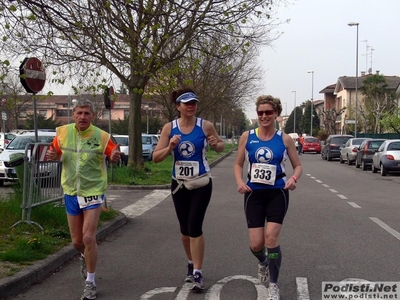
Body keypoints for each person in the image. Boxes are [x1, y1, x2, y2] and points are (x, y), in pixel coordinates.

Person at [46, 99, 122, 300]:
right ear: (73, 115)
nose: (82, 117)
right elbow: (54, 153)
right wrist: (52, 155)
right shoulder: (62, 133)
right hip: (71, 191)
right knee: (77, 242)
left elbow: (114, 154)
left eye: (87, 113)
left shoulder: (102, 136)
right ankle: (84, 256)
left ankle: (90, 282)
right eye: (79, 113)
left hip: (93, 191)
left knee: (89, 237)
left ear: (93, 116)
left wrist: (114, 157)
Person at [153, 88, 224, 291]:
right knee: (184, 231)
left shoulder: (205, 125)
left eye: (194, 102)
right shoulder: (169, 128)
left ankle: (198, 273)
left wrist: (214, 143)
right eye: (187, 103)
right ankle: (191, 263)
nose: (191, 106)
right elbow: (156, 158)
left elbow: (220, 146)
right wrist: (170, 148)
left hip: (201, 183)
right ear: (178, 106)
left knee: (194, 226)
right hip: (179, 184)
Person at [233, 95, 302, 300]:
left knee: (271, 238)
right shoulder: (247, 136)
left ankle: (273, 283)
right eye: (260, 112)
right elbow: (238, 164)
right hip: (253, 193)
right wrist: (239, 182)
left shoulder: (285, 138)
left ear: (276, 115)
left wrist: (294, 178)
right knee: (256, 244)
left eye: (268, 112)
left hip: (277, 192)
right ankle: (263, 262)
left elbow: (297, 165)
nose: (264, 116)